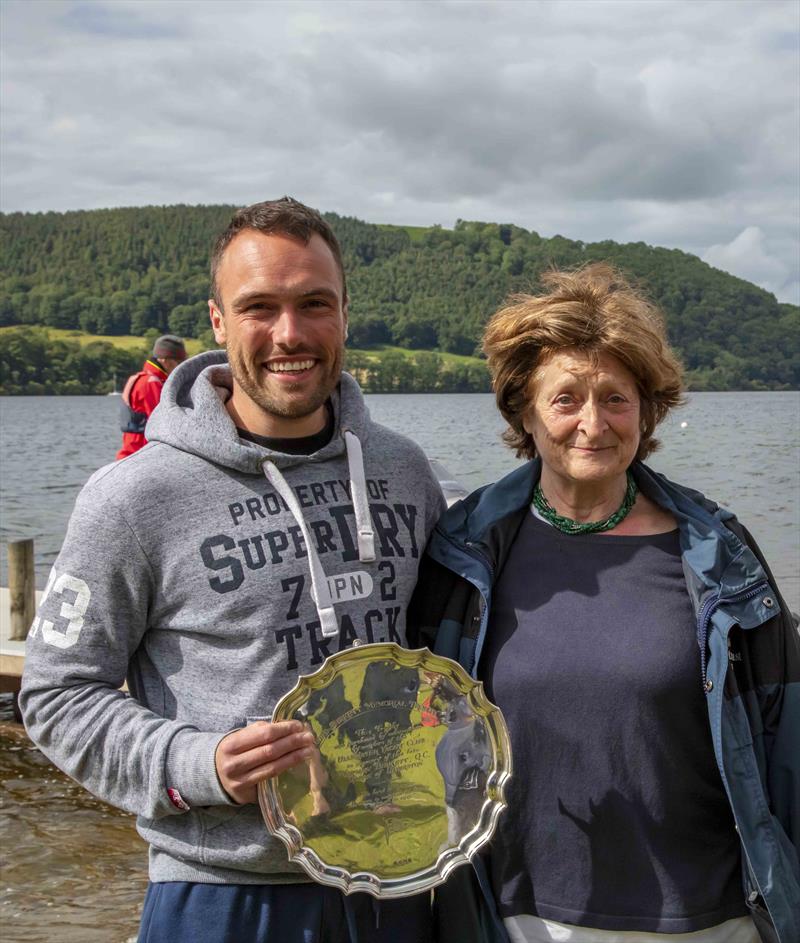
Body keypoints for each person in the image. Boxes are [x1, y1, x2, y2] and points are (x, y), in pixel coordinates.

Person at [20, 197, 445, 943]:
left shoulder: (405, 471)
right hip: (226, 894)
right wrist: (199, 762)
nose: (290, 333)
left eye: (315, 303)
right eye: (260, 307)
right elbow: (57, 695)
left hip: (399, 877)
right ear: (217, 322)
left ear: (345, 312)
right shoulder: (133, 498)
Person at [409, 264, 799, 943]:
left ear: (647, 411)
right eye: (566, 399)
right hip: (521, 916)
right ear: (524, 411)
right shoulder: (464, 552)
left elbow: (785, 737)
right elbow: (422, 732)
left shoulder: (719, 551)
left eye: (616, 398)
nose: (593, 423)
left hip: (709, 918)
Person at [116, 334, 187, 459]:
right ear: (164, 360)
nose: (181, 366)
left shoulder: (143, 378)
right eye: (178, 362)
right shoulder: (151, 383)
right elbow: (161, 422)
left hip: (133, 452)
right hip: (139, 454)